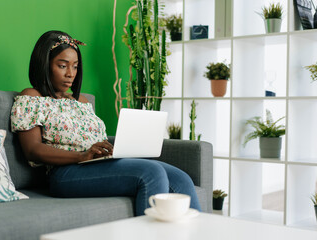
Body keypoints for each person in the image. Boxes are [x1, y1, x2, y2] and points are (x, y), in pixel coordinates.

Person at [11, 30, 201, 216]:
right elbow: (32, 150)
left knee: (181, 179)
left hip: (100, 164)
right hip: (67, 172)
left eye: (75, 66)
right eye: (63, 65)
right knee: (151, 173)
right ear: (44, 64)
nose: (71, 73)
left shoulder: (82, 101)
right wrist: (81, 156)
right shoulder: (32, 97)